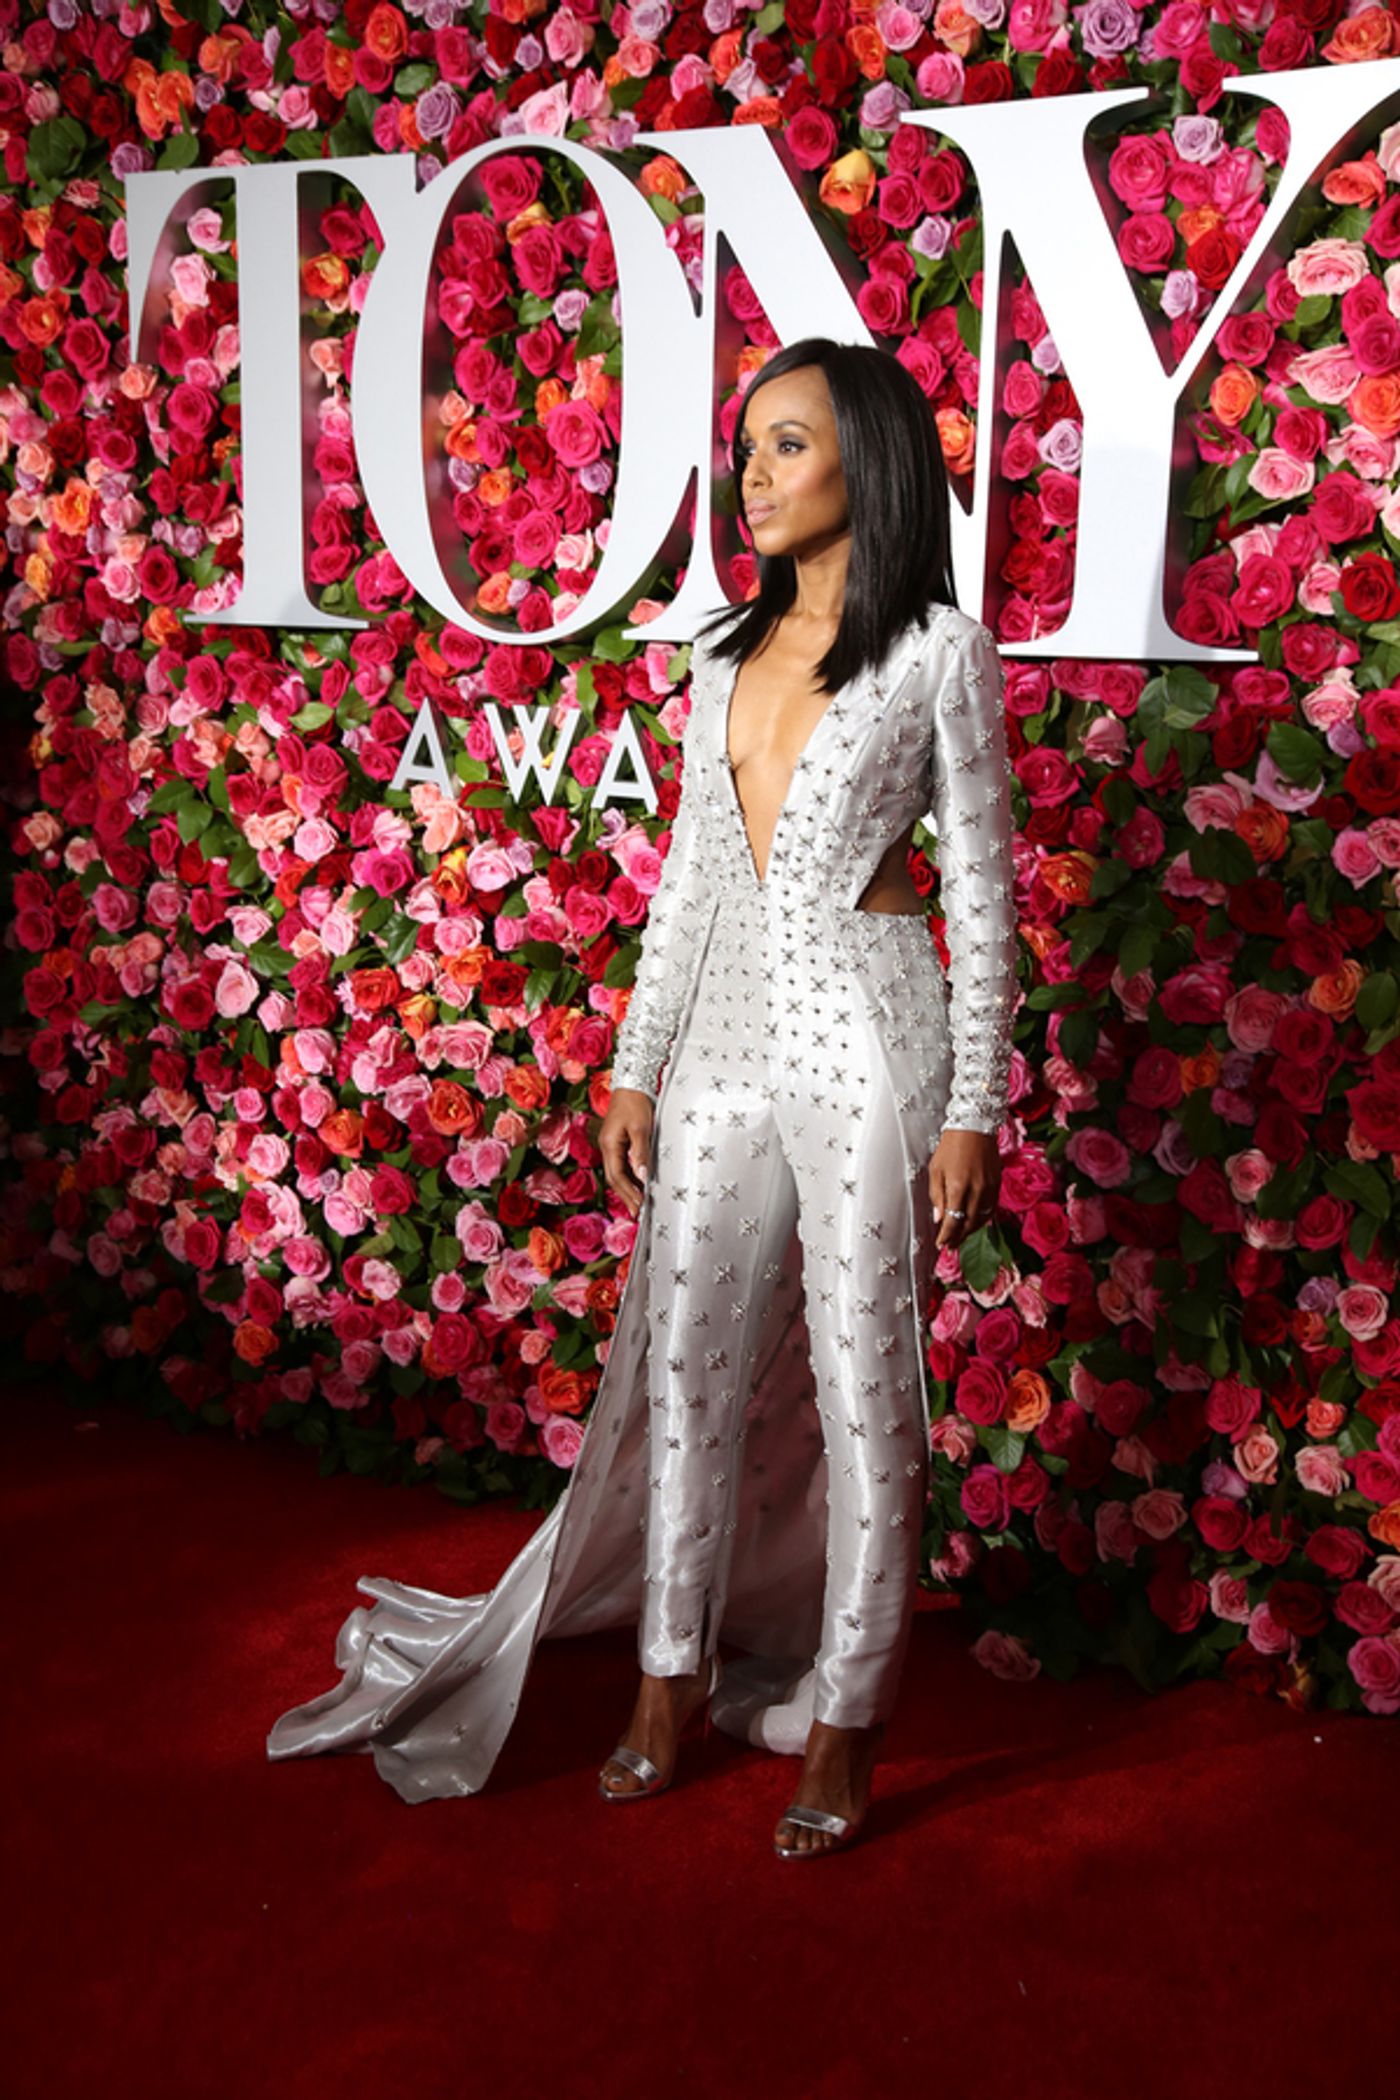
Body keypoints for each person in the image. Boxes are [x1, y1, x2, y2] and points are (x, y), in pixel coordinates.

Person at [267, 337, 1018, 1861]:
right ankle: (667, 1683)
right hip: (720, 1047)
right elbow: (684, 879)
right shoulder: (717, 655)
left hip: (873, 1033)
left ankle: (851, 1716)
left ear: (864, 462)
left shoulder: (943, 649)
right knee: (684, 1369)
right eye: (749, 444)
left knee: (867, 1392)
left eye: (787, 444)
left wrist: (976, 1105)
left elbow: (987, 893)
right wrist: (630, 1058)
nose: (753, 470)